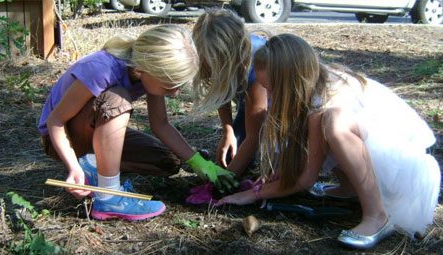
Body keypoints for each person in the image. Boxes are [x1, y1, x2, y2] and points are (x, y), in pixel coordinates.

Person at [217, 33, 441, 249]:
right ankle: (348, 188)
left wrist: (253, 194)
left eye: (271, 88)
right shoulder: (312, 85)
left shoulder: (326, 97)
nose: (269, 95)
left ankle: (376, 215)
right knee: (327, 128)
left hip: (400, 165)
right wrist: (282, 174)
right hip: (382, 159)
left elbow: (307, 177)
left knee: (334, 124)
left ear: (291, 81)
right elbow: (307, 151)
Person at [38, 24, 236, 221]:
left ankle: (93, 166)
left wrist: (199, 163)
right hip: (62, 139)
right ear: (142, 70)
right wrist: (73, 166)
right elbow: (55, 121)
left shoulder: (147, 72)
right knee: (118, 99)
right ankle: (109, 197)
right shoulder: (101, 69)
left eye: (178, 86)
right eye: (170, 84)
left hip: (91, 135)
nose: (174, 93)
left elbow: (161, 125)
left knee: (167, 161)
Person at [192, 8, 268, 178]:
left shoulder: (259, 65)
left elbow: (254, 134)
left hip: (274, 108)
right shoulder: (214, 56)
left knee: (243, 157)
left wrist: (226, 179)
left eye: (220, 61)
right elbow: (221, 91)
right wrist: (228, 131)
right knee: (233, 151)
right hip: (246, 101)